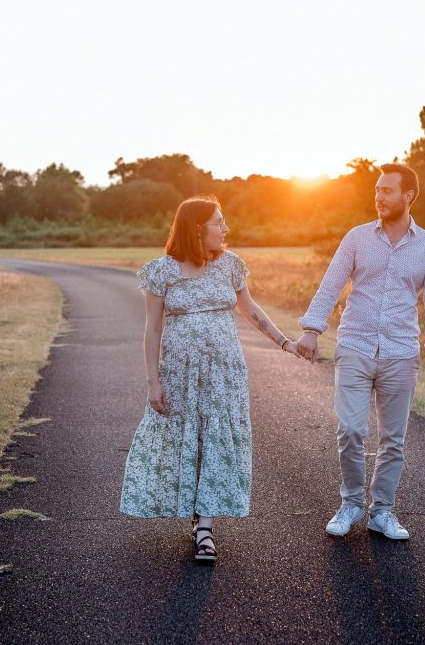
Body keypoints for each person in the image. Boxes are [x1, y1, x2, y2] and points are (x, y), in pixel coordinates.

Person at [120, 196, 301, 562]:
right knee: (186, 439)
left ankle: (205, 528)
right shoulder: (162, 272)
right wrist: (153, 382)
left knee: (218, 439)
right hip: (179, 374)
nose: (225, 229)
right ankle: (193, 510)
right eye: (219, 222)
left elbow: (250, 311)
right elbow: (152, 329)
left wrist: (285, 342)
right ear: (197, 228)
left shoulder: (230, 266)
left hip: (224, 374)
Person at [296, 163, 425, 540]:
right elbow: (331, 283)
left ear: (408, 196)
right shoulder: (357, 238)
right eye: (377, 189)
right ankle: (351, 503)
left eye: (387, 190)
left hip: (400, 352)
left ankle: (382, 512)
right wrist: (311, 329)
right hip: (354, 345)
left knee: (392, 439)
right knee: (350, 429)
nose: (379, 196)